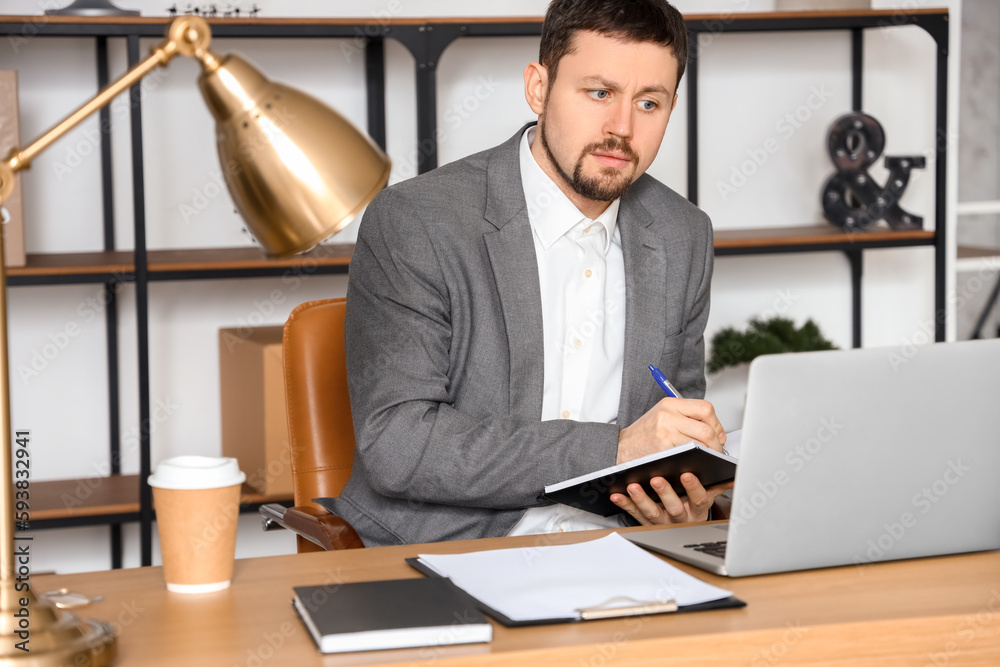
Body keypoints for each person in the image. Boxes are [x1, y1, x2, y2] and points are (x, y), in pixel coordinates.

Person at [323, 0, 731, 547]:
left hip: (620, 553)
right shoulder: (418, 221)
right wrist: (615, 450)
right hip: (453, 550)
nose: (622, 128)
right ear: (538, 88)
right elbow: (399, 446)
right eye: (599, 93)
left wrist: (680, 497)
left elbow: (672, 429)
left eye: (649, 102)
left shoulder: (684, 234)